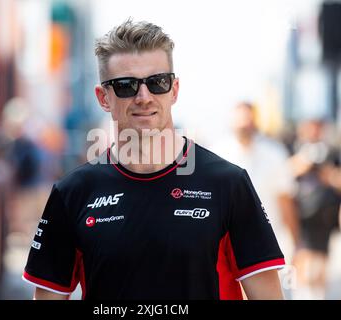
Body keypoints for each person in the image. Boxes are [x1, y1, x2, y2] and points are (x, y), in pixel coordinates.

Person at [22, 19, 285, 300]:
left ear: (174, 90)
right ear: (103, 98)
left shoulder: (228, 184)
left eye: (157, 82)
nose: (144, 97)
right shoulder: (72, 193)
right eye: (125, 85)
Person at [210, 102, 300, 278]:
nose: (244, 126)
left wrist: (296, 241)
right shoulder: (218, 152)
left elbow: (285, 199)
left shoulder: (274, 153)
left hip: (269, 244)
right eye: (240, 122)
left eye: (248, 121)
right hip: (228, 247)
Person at [289, 118, 341, 299]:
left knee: (320, 264)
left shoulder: (332, 152)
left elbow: (336, 179)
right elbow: (284, 175)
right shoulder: (294, 148)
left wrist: (328, 175)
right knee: (304, 261)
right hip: (301, 215)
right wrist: (302, 165)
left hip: (325, 215)